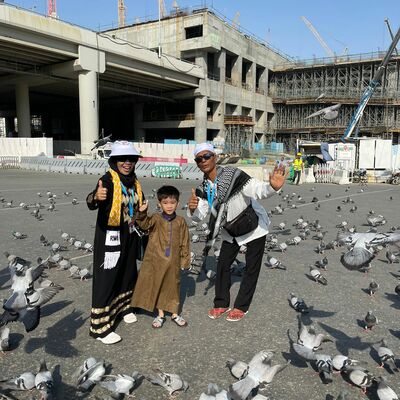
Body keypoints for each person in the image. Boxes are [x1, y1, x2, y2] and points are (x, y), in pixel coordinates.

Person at [187, 143, 287, 322]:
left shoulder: (235, 176)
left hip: (254, 228)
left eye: (207, 156)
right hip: (230, 231)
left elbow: (257, 189)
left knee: (251, 268)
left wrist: (272, 187)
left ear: (215, 157)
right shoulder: (204, 188)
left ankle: (242, 306)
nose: (203, 161)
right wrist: (192, 208)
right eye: (199, 159)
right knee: (223, 265)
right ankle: (221, 303)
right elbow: (199, 216)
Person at [86, 140, 144, 344]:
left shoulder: (134, 181)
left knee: (128, 273)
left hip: (129, 234)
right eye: (122, 159)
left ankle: (124, 307)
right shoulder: (108, 180)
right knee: (107, 277)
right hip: (110, 236)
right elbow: (91, 202)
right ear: (114, 161)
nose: (127, 163)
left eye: (131, 159)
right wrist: (96, 196)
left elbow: (137, 206)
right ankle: (100, 327)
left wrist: (142, 212)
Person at [131, 185, 191, 328]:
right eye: (165, 203)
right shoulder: (156, 218)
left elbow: (185, 242)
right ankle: (160, 315)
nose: (169, 206)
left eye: (172, 202)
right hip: (156, 261)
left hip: (174, 262)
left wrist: (185, 260)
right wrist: (142, 213)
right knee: (158, 285)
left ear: (177, 202)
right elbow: (144, 225)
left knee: (173, 286)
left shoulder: (181, 221)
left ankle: (175, 313)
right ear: (159, 204)